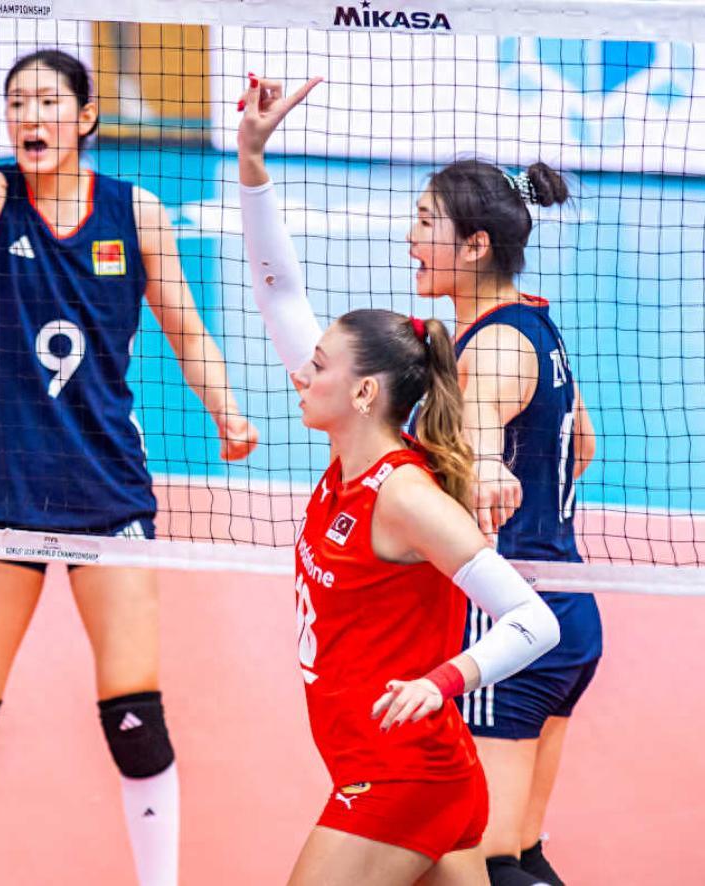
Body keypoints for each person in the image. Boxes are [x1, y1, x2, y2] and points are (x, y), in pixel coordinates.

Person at [0, 49, 258, 886]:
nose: (30, 118)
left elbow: (184, 327)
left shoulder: (136, 214)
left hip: (109, 493)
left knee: (135, 722)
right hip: (9, 496)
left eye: (47, 103)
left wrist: (228, 413)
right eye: (17, 104)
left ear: (85, 116)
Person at [238, 75, 561, 884]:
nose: (301, 374)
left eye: (318, 366)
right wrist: (252, 162)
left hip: (403, 777)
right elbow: (281, 294)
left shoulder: (404, 495)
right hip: (387, 762)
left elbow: (533, 621)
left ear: (363, 394)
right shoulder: (347, 462)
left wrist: (443, 681)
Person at [406, 159, 599, 886]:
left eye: (426, 222)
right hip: (568, 612)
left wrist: (484, 467)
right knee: (521, 850)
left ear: (476, 244)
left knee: (480, 863)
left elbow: (482, 444)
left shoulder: (486, 349)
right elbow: (582, 446)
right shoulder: (536, 326)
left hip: (509, 620)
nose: (410, 237)